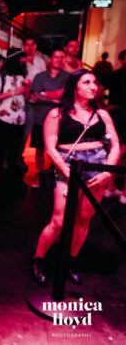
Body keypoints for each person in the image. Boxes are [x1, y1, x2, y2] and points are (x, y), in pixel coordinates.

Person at [31, 70, 120, 285]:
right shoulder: (57, 114)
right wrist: (66, 171)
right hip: (69, 165)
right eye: (87, 82)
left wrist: (107, 172)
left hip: (97, 165)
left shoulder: (102, 114)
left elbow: (115, 145)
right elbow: (50, 147)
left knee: (84, 217)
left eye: (95, 83)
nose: (93, 87)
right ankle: (38, 260)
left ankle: (69, 261)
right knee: (59, 220)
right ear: (74, 86)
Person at [0, 48, 30, 185]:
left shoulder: (22, 76)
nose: (23, 60)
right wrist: (12, 92)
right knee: (1, 149)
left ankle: (11, 181)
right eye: (21, 58)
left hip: (20, 119)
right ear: (14, 59)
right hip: (4, 119)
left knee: (14, 150)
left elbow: (26, 98)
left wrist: (27, 87)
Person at [30, 50, 70, 184]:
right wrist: (55, 99)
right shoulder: (40, 76)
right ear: (50, 59)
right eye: (56, 57)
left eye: (61, 57)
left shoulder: (68, 77)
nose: (59, 59)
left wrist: (45, 94)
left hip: (61, 120)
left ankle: (57, 178)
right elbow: (35, 96)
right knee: (39, 150)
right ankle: (40, 176)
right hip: (41, 118)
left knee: (59, 151)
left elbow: (65, 95)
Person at [19, 38, 47, 165]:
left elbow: (44, 79)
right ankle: (16, 154)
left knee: (29, 129)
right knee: (20, 129)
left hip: (35, 101)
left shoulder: (40, 61)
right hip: (20, 99)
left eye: (32, 45)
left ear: (35, 46)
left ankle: (20, 154)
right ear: (24, 46)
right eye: (27, 45)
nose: (29, 47)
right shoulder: (20, 60)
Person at [104, 49, 126, 204]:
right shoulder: (116, 75)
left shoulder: (115, 74)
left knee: (116, 152)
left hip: (117, 116)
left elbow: (99, 89)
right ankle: (123, 193)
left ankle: (110, 188)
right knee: (118, 153)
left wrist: (105, 107)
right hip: (120, 117)